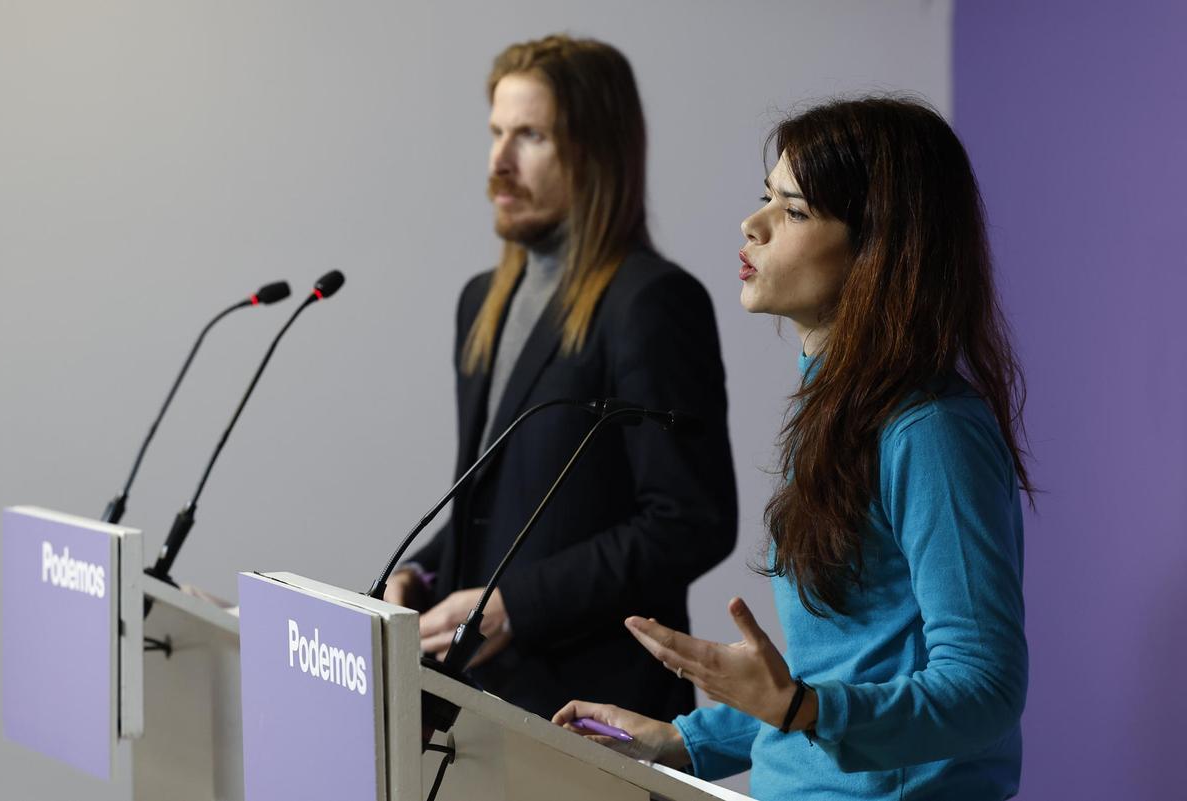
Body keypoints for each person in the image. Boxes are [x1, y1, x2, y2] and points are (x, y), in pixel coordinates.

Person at [555, 97, 1032, 801]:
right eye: (764, 199)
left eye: (795, 211)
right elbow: (832, 687)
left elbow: (985, 688)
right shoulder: (834, 413)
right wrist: (681, 740)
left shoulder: (929, 430)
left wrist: (799, 707)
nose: (754, 224)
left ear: (879, 248)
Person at [381, 34, 738, 722]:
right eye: (496, 133)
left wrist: (519, 604)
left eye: (531, 136)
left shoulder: (652, 302)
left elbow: (689, 519)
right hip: (479, 708)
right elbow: (505, 506)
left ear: (595, 150)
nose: (499, 161)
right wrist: (419, 574)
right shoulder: (481, 301)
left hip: (597, 715)